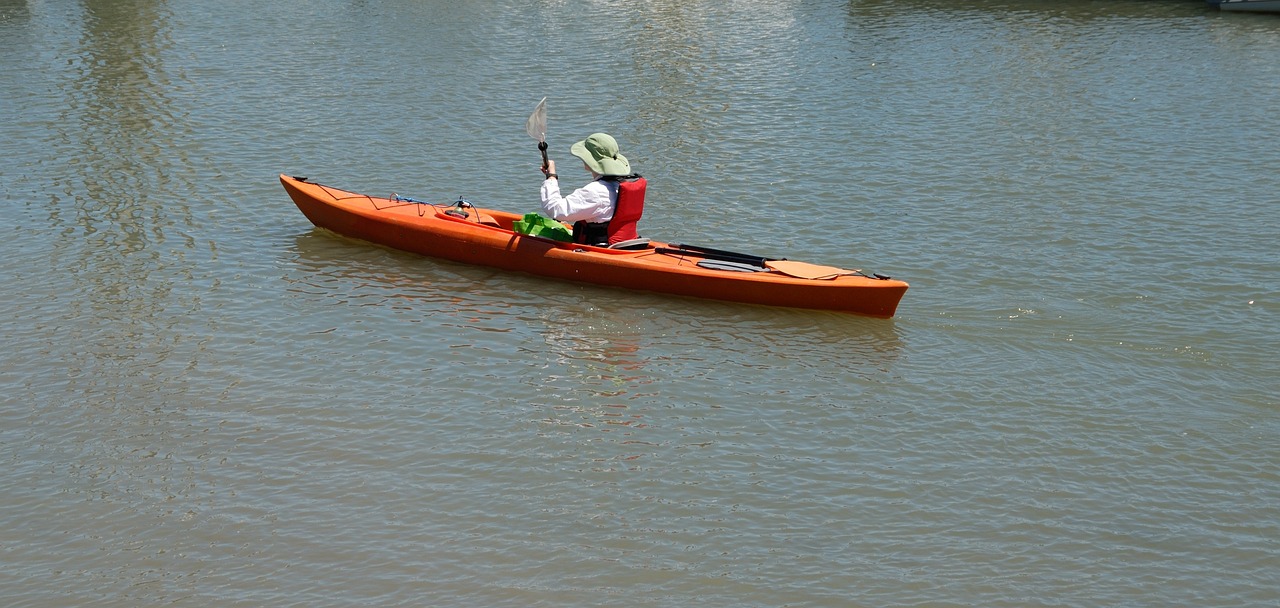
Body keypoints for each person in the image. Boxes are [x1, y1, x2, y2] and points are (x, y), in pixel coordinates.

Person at [540, 133, 633, 245]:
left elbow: (555, 209)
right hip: (621, 244)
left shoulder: (596, 191)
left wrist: (551, 177)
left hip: (598, 250)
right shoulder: (621, 185)